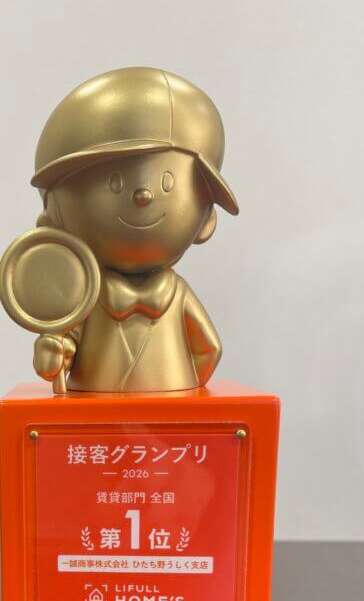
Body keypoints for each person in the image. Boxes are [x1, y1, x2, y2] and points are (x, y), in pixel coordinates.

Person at [24, 67, 240, 393]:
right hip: (95, 410)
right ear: (54, 218)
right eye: (115, 183)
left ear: (206, 219)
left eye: (167, 182)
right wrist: (54, 355)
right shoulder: (83, 296)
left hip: (168, 414)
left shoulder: (176, 294)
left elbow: (209, 348)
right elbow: (209, 351)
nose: (143, 195)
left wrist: (183, 390)